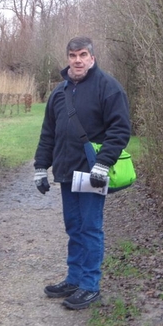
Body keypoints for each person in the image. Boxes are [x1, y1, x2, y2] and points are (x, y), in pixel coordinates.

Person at [33, 36, 131, 310]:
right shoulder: (59, 92)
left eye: (83, 55)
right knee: (73, 227)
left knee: (90, 228)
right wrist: (41, 167)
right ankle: (74, 278)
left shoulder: (108, 88)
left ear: (92, 58)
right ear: (68, 59)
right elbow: (48, 133)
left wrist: (103, 163)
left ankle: (89, 285)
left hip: (92, 173)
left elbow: (120, 130)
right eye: (73, 55)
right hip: (67, 172)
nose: (78, 60)